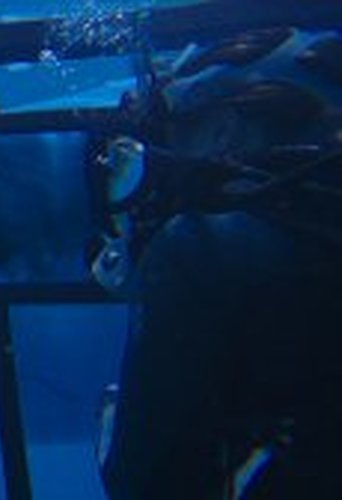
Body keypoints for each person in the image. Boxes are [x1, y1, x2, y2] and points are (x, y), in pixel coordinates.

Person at [92, 28, 342, 498]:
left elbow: (149, 481)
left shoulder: (199, 249)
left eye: (169, 137)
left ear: (224, 130)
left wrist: (115, 431)